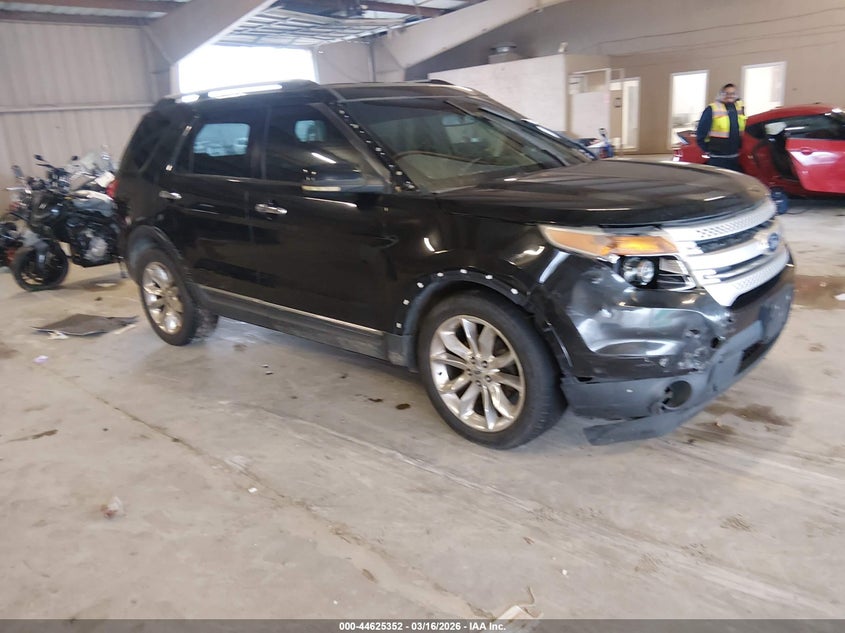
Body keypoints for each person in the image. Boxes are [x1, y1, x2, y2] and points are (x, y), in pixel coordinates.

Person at [696, 83, 746, 171]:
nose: (730, 96)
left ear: (736, 95)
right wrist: (707, 150)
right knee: (718, 183)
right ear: (721, 95)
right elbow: (701, 133)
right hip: (718, 158)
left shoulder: (739, 109)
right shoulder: (712, 109)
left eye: (733, 93)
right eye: (726, 93)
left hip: (734, 156)